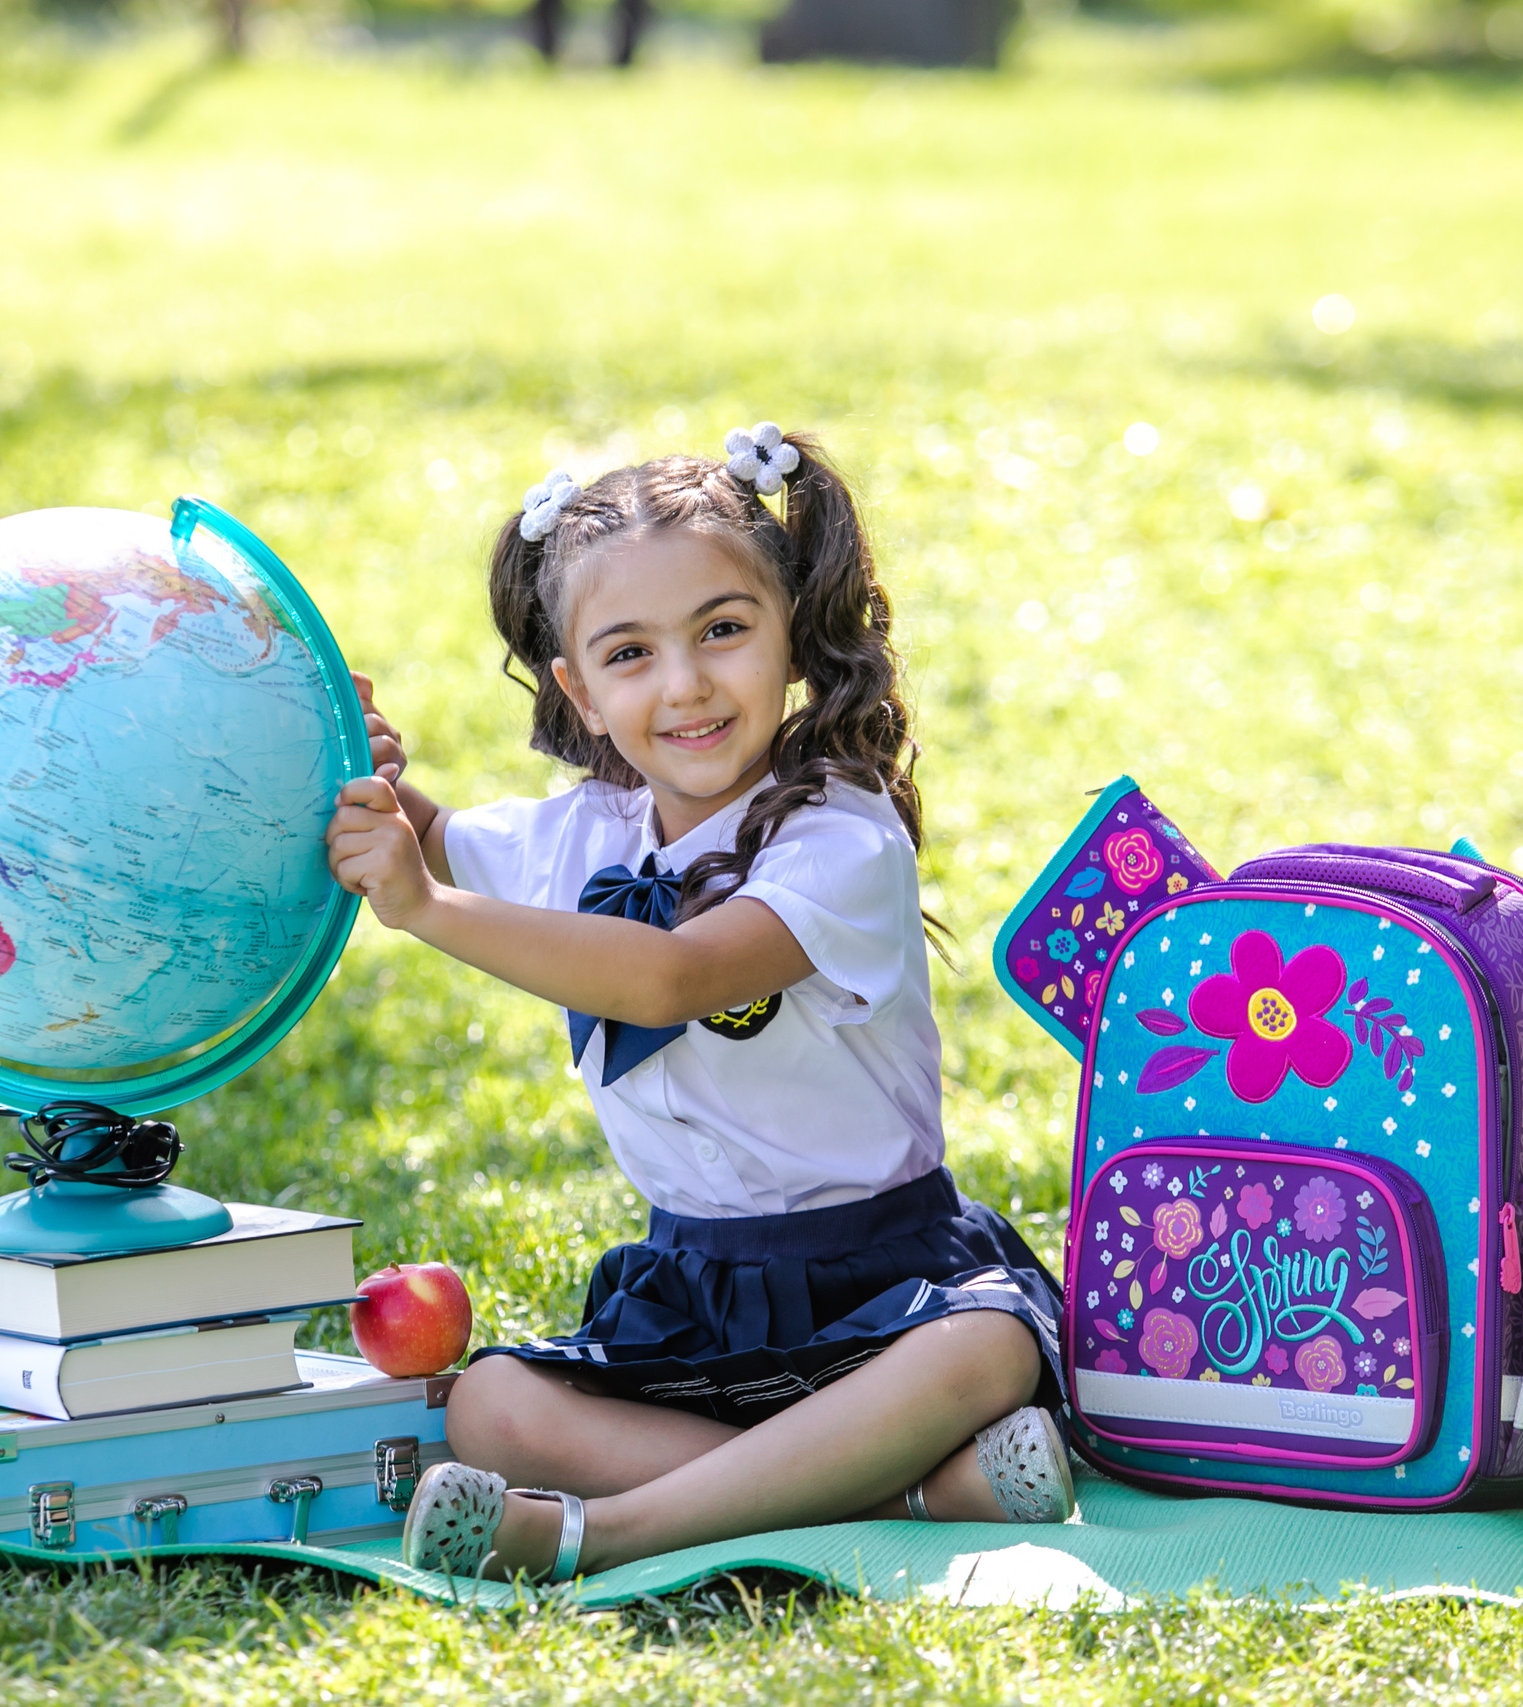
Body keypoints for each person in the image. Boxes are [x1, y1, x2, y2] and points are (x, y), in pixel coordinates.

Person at [328, 424, 1070, 1582]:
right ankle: (911, 1488)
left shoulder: (840, 834)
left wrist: (423, 911)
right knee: (490, 1406)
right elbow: (427, 839)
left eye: (723, 632)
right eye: (629, 655)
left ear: (791, 637)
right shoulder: (584, 832)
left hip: (881, 1282)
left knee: (985, 1350)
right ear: (575, 689)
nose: (684, 686)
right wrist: (356, 766)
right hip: (692, 1297)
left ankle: (611, 1533)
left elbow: (671, 977)